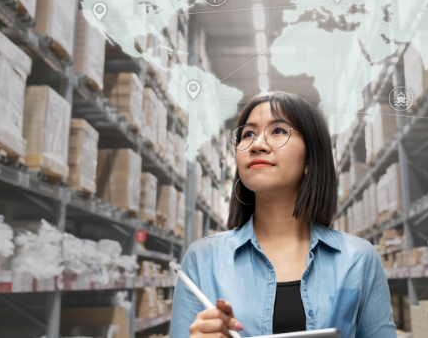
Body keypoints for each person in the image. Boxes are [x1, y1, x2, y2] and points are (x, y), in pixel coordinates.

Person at [170, 92, 396, 338]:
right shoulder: (202, 260)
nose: (257, 144)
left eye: (278, 131)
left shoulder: (359, 259)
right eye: (248, 134)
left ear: (310, 158)